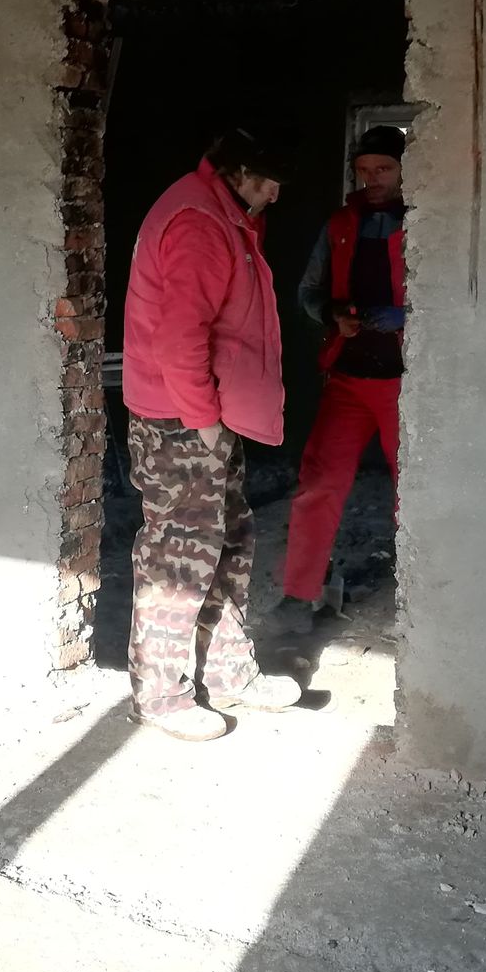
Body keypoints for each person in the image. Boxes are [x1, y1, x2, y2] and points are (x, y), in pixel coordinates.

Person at [120, 129, 306, 740]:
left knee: (226, 543)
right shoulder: (200, 223)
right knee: (178, 557)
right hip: (181, 420)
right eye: (270, 181)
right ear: (241, 171)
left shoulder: (224, 215)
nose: (276, 194)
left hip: (204, 415)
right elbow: (179, 338)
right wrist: (202, 421)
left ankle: (227, 674)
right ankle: (161, 694)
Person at [274, 125, 408, 633]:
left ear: (405, 170)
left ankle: (422, 600)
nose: (373, 179)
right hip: (349, 377)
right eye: (364, 170)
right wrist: (334, 315)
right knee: (319, 485)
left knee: (413, 492)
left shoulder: (427, 221)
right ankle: (297, 595)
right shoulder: (341, 224)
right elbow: (309, 292)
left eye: (384, 169)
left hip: (407, 383)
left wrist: (405, 317)